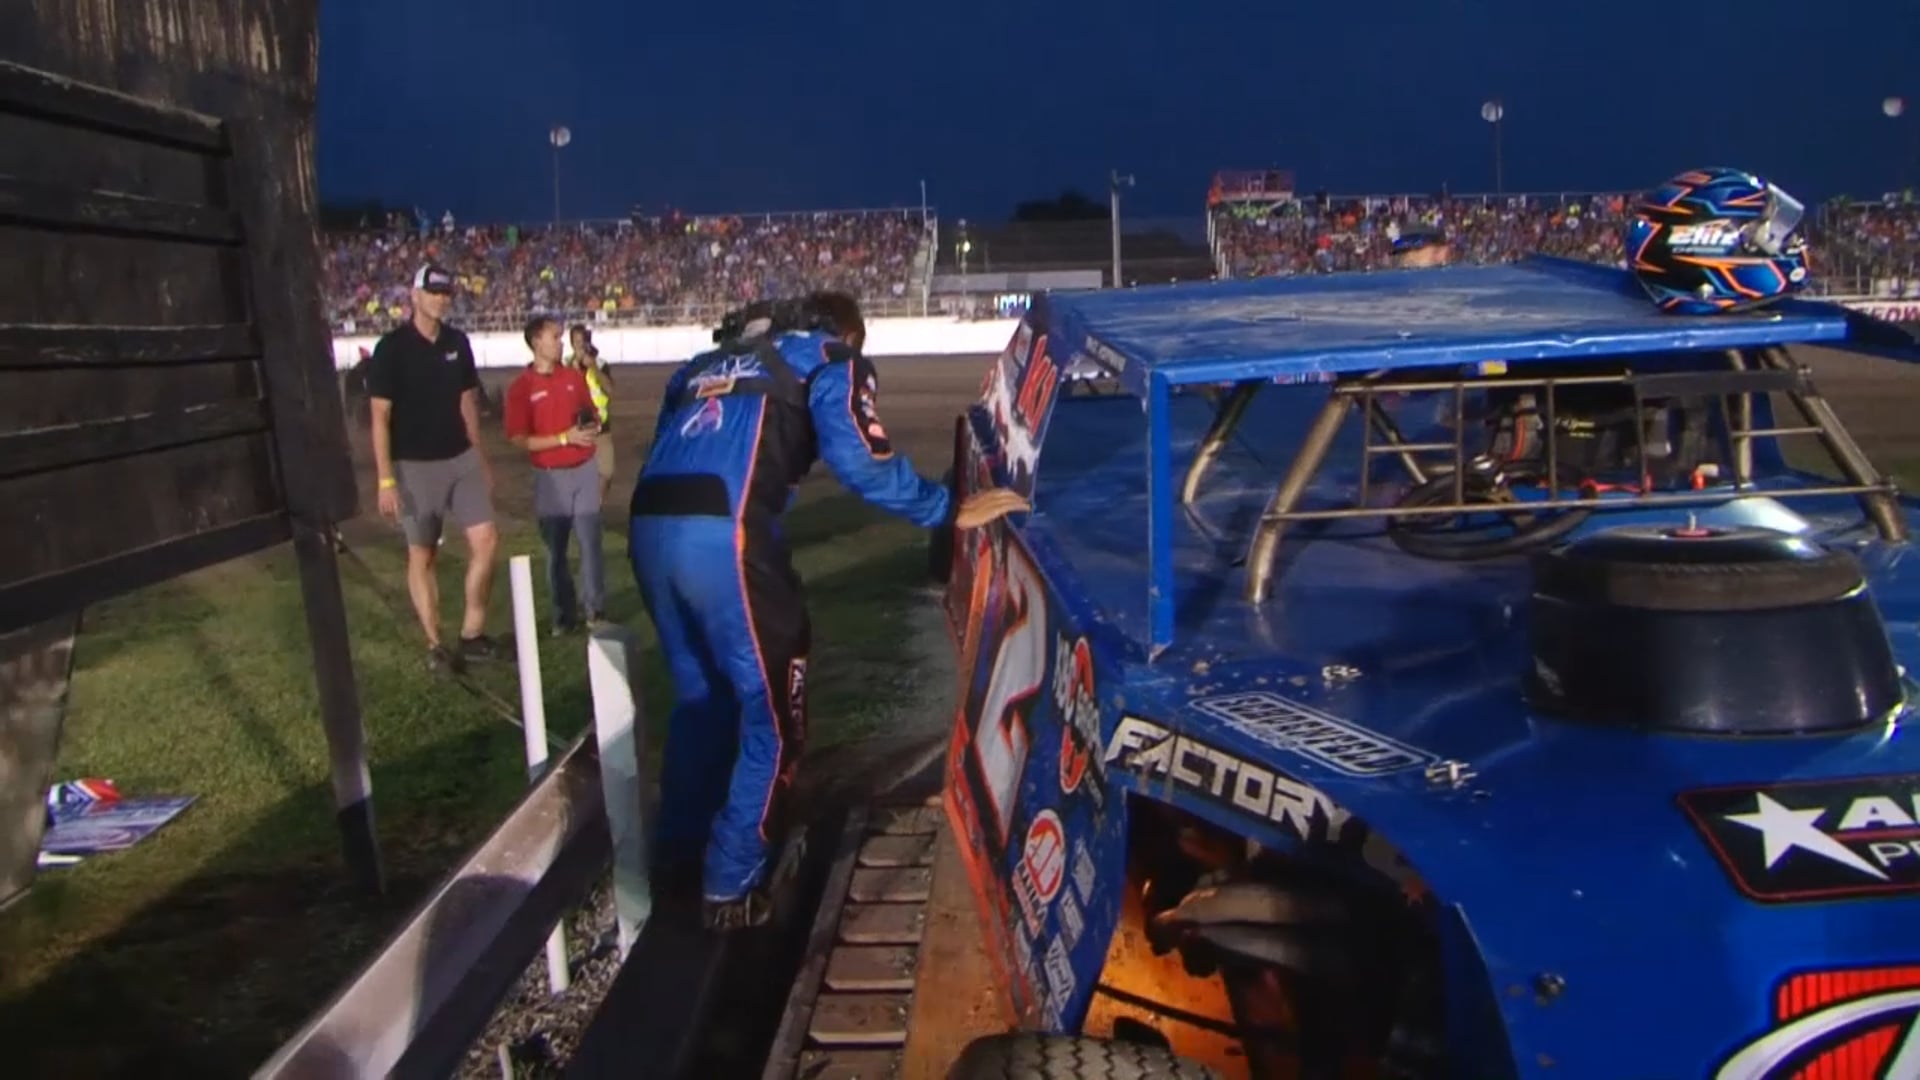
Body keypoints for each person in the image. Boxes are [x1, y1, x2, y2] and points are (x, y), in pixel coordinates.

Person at [629, 291, 1028, 930]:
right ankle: (730, 887)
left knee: (702, 700)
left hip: (650, 528)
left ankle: (677, 858)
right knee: (774, 716)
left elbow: (667, 448)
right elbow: (859, 463)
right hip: (726, 540)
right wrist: (945, 509)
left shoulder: (703, 362)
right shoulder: (830, 357)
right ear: (848, 332)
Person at [365, 263, 501, 675]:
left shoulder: (457, 342)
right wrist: (386, 479)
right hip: (414, 467)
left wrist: (480, 458)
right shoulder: (391, 349)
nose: (441, 299)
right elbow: (379, 418)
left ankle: (472, 634)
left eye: (446, 293)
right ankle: (435, 644)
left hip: (461, 459)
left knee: (487, 541)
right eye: (434, 292)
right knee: (422, 555)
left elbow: (467, 404)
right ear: (415, 295)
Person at [505, 316, 609, 634]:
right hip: (551, 477)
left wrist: (590, 425)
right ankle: (564, 615)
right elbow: (518, 439)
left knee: (591, 543)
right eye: (555, 336)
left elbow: (590, 410)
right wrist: (564, 438)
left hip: (585, 469)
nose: (561, 342)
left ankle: (595, 611)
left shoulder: (572, 378)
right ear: (536, 341)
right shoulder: (521, 388)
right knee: (557, 552)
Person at [569, 324, 617, 500]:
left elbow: (609, 391)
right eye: (577, 342)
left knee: (606, 473)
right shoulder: (566, 366)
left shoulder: (601, 364)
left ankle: (594, 510)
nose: (580, 346)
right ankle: (587, 513)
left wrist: (593, 368)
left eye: (583, 342)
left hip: (601, 428)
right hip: (577, 429)